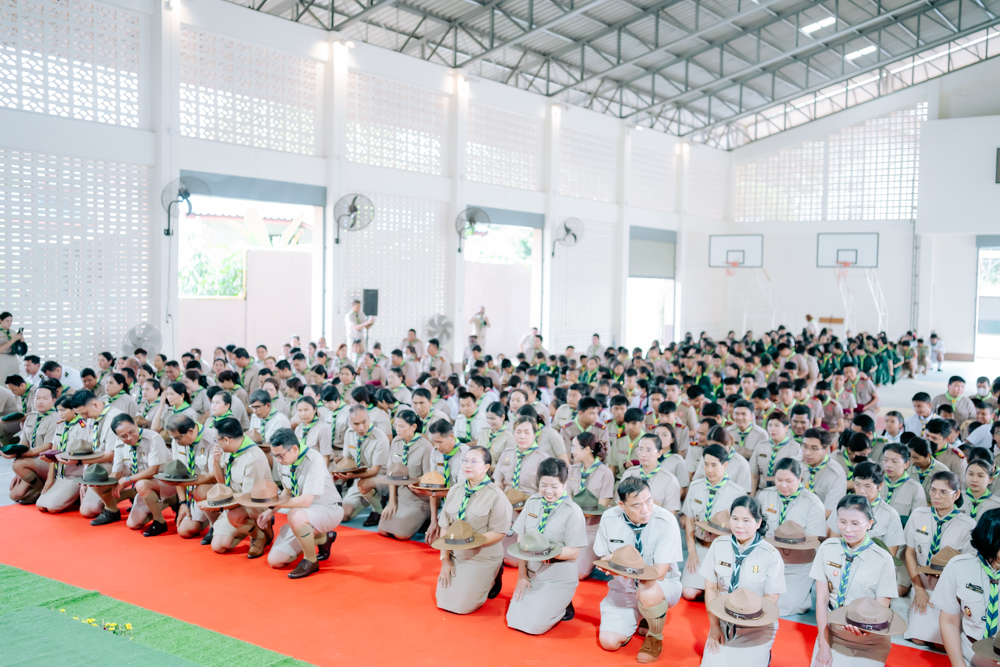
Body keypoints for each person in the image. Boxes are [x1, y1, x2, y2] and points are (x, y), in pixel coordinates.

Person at [593, 477, 683, 663]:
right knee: (609, 642)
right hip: (624, 588)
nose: (646, 510)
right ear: (622, 505)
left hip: (661, 585)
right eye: (636, 505)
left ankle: (655, 636)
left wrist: (621, 569)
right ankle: (642, 616)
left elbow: (659, 572)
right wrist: (608, 564)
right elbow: (603, 557)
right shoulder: (609, 518)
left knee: (647, 593)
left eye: (648, 501)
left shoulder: (666, 520)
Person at [810, 495, 900, 666]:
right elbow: (821, 601)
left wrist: (864, 628)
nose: (847, 530)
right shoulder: (826, 549)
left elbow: (881, 608)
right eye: (842, 522)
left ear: (870, 523)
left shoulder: (883, 559)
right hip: (832, 631)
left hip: (869, 637)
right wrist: (823, 644)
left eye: (855, 523)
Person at [700, 495, 785, 666]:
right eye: (735, 518)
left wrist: (750, 619)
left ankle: (763, 654)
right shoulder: (718, 545)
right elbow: (710, 588)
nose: (739, 526)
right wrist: (714, 626)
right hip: (724, 620)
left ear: (758, 522)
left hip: (756, 626)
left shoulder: (771, 555)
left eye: (746, 520)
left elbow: (771, 597)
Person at [506, 457, 587, 634]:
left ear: (565, 484)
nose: (548, 491)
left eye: (554, 486)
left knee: (534, 627)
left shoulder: (573, 511)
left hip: (557, 574)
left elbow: (574, 552)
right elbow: (521, 540)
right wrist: (522, 575)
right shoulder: (532, 502)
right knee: (513, 620)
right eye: (543, 485)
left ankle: (562, 604)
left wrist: (546, 552)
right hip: (533, 572)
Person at [435, 445, 512, 614]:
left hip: (482, 556)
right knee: (443, 601)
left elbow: (499, 532)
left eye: (474, 461)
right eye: (465, 461)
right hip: (456, 554)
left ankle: (494, 574)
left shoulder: (496, 495)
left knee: (462, 607)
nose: (467, 465)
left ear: (486, 467)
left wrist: (470, 542)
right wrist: (445, 560)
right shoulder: (455, 490)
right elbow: (445, 527)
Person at [903, 470, 976, 647]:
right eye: (933, 490)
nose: (936, 496)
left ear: (956, 494)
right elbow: (909, 554)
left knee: (941, 644)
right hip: (922, 582)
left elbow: (968, 568)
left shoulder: (968, 526)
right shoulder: (918, 515)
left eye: (944, 492)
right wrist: (919, 589)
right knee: (918, 639)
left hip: (950, 588)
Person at [261, 428, 343, 578]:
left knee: (295, 515)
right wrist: (270, 511)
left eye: (280, 455)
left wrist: (274, 504)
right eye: (274, 455)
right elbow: (287, 490)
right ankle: (323, 538)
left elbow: (305, 501)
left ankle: (310, 561)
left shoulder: (314, 459)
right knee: (275, 561)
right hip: (305, 513)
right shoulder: (284, 460)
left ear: (294, 448)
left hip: (328, 509)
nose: (277, 460)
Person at [756, 457, 826, 616]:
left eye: (789, 481)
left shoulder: (813, 503)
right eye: (779, 480)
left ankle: (803, 595)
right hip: (767, 559)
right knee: (753, 600)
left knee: (782, 607)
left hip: (797, 564)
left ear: (800, 478)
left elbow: (812, 541)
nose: (783, 485)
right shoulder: (765, 496)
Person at [932, 507, 1000, 667]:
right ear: (991, 539)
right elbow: (949, 622)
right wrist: (959, 665)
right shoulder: (959, 566)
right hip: (970, 654)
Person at [682, 444, 748, 601]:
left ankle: (711, 589)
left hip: (724, 551)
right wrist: (692, 552)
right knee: (688, 593)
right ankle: (705, 588)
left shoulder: (737, 493)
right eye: (705, 464)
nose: (709, 470)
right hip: (700, 547)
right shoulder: (695, 487)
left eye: (714, 465)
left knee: (721, 597)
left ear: (724, 465)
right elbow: (690, 520)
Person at [97, 413, 174, 536]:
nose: (129, 437)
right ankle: (166, 501)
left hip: (167, 482)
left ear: (136, 425)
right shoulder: (119, 445)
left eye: (131, 432)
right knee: (133, 524)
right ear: (118, 436)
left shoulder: (153, 437)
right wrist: (98, 483)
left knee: (141, 484)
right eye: (123, 436)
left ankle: (160, 520)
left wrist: (126, 480)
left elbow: (152, 471)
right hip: (144, 485)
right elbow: (116, 473)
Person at [208, 417, 273, 557]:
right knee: (219, 546)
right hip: (234, 502)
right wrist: (216, 462)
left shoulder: (253, 458)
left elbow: (248, 498)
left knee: (235, 515)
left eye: (216, 440)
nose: (216, 443)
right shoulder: (229, 450)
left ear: (226, 440)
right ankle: (247, 528)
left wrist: (223, 504)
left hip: (254, 504)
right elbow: (222, 481)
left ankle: (259, 534)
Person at [377, 409, 433, 540]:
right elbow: (391, 474)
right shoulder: (396, 442)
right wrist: (392, 501)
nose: (397, 429)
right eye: (396, 425)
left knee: (400, 535)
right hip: (400, 496)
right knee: (383, 531)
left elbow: (429, 477)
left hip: (418, 499)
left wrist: (413, 481)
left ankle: (425, 517)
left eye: (401, 426)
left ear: (413, 427)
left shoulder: (425, 447)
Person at [164, 415, 219, 540]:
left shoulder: (213, 439)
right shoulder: (178, 440)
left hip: (214, 489)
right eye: (173, 438)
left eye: (177, 438)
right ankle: (208, 517)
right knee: (185, 530)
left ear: (190, 431)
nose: (176, 442)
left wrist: (188, 483)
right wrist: (183, 503)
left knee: (201, 490)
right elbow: (178, 473)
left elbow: (215, 476)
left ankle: (215, 525)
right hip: (194, 492)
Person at [568, 430, 614, 580]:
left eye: (574, 447)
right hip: (572, 525)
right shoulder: (573, 470)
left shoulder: (605, 473)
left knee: (578, 573)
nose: (572, 451)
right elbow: (567, 499)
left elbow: (602, 506)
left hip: (592, 528)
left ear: (586, 449)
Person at [4, 384, 58, 504]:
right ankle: (39, 485)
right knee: (15, 495)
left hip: (48, 462)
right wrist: (19, 471)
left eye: (45, 398)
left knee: (18, 464)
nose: (40, 401)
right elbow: (24, 443)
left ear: (54, 400)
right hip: (32, 462)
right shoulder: (31, 417)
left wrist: (20, 461)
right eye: (37, 398)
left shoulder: (55, 418)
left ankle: (42, 491)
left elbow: (47, 447)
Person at [336, 404, 389, 523]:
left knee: (364, 484)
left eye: (364, 422)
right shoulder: (349, 434)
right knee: (343, 515)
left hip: (381, 479)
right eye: (356, 424)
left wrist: (352, 476)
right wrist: (337, 474)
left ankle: (378, 510)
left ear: (369, 419)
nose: (361, 427)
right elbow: (347, 461)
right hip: (360, 480)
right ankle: (369, 499)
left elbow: (375, 471)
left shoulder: (380, 437)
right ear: (350, 423)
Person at [36, 393, 89, 512]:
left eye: (63, 410)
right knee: (40, 505)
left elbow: (86, 455)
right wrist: (50, 478)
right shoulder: (60, 425)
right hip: (60, 475)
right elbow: (53, 452)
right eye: (58, 410)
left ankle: (76, 496)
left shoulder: (82, 426)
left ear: (74, 409)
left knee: (52, 509)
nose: (60, 413)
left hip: (75, 475)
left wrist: (84, 481)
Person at [618, 434, 681, 514]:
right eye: (640, 449)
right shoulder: (629, 473)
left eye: (648, 450)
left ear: (659, 453)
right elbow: (620, 505)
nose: (643, 454)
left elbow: (670, 515)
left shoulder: (670, 480)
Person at [750, 411, 802, 493]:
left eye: (777, 425)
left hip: (784, 492)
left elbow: (798, 476)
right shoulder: (761, 445)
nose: (772, 429)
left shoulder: (795, 448)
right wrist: (752, 494)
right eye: (770, 425)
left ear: (786, 428)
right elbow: (754, 474)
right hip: (762, 491)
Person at [0, 312, 23, 381]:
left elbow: (19, 349)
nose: (10, 323)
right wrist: (13, 340)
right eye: (7, 321)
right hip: (2, 359)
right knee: (3, 381)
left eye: (11, 321)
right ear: (0, 320)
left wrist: (21, 341)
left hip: (13, 359)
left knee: (15, 382)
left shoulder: (13, 333)